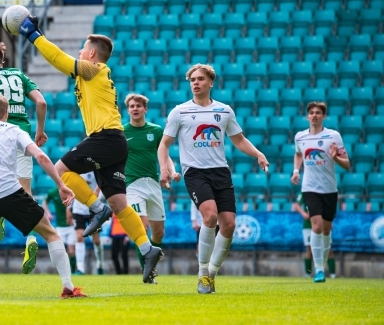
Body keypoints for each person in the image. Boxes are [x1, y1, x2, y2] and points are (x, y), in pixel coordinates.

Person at [18, 16, 163, 283]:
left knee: (59, 170)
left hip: (106, 138)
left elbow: (59, 60)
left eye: (83, 50)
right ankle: (147, 248)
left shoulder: (94, 69)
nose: (79, 54)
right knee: (119, 203)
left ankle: (97, 208)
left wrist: (34, 35)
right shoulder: (95, 74)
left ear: (92, 54)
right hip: (114, 141)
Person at [0, 94, 86, 298]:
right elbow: (40, 156)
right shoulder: (13, 129)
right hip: (10, 193)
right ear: (6, 114)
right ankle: (68, 287)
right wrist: (61, 184)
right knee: (51, 234)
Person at [157, 63, 269, 294]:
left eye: (200, 79)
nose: (195, 83)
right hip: (195, 172)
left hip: (220, 171)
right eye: (192, 80)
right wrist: (164, 169)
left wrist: (257, 154)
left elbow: (239, 140)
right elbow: (164, 145)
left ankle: (212, 273)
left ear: (210, 82)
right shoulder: (179, 111)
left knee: (229, 225)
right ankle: (201, 273)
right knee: (209, 217)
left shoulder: (224, 111)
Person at [0, 40, 48, 274]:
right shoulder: (19, 74)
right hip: (22, 137)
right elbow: (41, 102)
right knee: (25, 193)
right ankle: (31, 239)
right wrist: (40, 131)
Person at [291, 101, 349, 283]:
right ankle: (318, 270)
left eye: (318, 112)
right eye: (312, 113)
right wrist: (295, 171)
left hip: (329, 189)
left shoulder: (333, 136)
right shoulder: (300, 137)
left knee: (326, 229)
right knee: (316, 226)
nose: (315, 115)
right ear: (307, 116)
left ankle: (322, 263)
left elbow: (347, 164)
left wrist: (335, 158)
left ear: (324, 116)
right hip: (310, 188)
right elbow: (299, 153)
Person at [123, 93, 171, 282]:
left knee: (158, 232)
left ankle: (151, 265)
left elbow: (165, 155)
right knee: (141, 226)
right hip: (132, 184)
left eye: (138, 106)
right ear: (128, 110)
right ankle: (147, 271)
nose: (135, 109)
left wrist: (170, 171)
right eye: (131, 106)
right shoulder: (121, 131)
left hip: (153, 183)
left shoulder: (156, 130)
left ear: (145, 109)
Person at [70, 172, 105, 275]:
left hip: (93, 210)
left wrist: (98, 199)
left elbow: (102, 183)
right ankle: (80, 268)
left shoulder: (95, 171)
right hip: (78, 210)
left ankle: (100, 264)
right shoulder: (75, 170)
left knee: (96, 240)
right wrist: (69, 208)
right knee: (79, 237)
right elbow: (70, 188)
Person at [43, 186, 77, 273]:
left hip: (71, 225)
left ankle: (73, 271)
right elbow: (45, 202)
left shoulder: (71, 191)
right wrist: (48, 213)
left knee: (71, 249)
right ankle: (63, 271)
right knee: (60, 251)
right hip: (59, 226)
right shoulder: (52, 192)